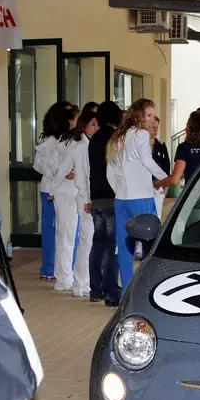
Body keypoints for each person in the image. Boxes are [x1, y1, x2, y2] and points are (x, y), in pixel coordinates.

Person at [106, 98, 168, 290]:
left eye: (152, 116)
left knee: (125, 249)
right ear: (139, 115)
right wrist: (166, 178)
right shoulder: (141, 134)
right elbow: (147, 161)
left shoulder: (118, 137)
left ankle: (127, 290)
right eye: (148, 115)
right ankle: (147, 289)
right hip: (141, 198)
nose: (152, 120)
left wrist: (119, 191)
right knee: (150, 246)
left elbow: (110, 172)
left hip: (121, 199)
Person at [87, 101, 123, 306]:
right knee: (112, 245)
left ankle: (96, 289)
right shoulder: (114, 138)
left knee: (98, 243)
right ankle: (111, 292)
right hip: (112, 196)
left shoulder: (94, 138)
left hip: (96, 197)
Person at [33, 102, 71, 281]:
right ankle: (49, 268)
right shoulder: (49, 140)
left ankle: (57, 267)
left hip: (59, 188)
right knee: (52, 230)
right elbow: (38, 164)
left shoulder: (65, 139)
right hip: (50, 190)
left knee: (60, 230)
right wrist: (57, 174)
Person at [48, 104, 81, 292]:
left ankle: (67, 275)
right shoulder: (62, 141)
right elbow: (53, 165)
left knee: (70, 234)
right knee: (65, 235)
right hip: (64, 192)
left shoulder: (74, 140)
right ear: (70, 121)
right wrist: (60, 176)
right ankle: (63, 278)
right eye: (77, 119)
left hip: (72, 192)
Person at [71, 105, 99, 296]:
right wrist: (87, 199)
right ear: (84, 126)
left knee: (88, 240)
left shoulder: (90, 143)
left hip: (88, 196)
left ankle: (83, 282)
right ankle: (80, 283)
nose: (96, 128)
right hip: (85, 197)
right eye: (92, 124)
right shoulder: (82, 145)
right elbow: (82, 176)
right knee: (86, 240)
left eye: (97, 124)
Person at [155, 110, 200, 193]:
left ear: (191, 128)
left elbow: (174, 179)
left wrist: (156, 183)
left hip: (192, 195)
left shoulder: (184, 147)